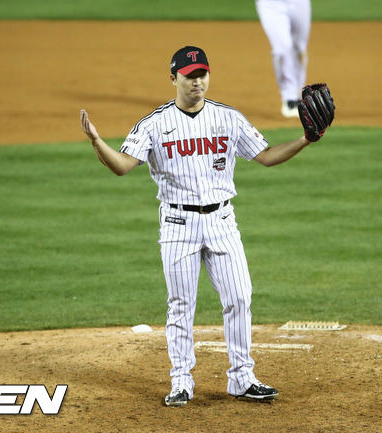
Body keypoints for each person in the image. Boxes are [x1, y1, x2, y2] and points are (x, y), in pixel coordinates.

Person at [80, 46, 328, 407]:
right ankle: (181, 381)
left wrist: (306, 139)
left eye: (202, 74)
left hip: (222, 221)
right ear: (174, 78)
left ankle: (242, 378)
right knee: (181, 304)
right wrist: (97, 141)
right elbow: (121, 166)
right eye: (189, 75)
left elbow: (266, 156)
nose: (197, 81)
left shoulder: (229, 119)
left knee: (240, 297)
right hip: (178, 223)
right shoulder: (154, 124)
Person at [256, 0, 312, 118]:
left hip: (300, 3)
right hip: (271, 4)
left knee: (299, 49)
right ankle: (290, 99)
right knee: (282, 49)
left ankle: (298, 96)